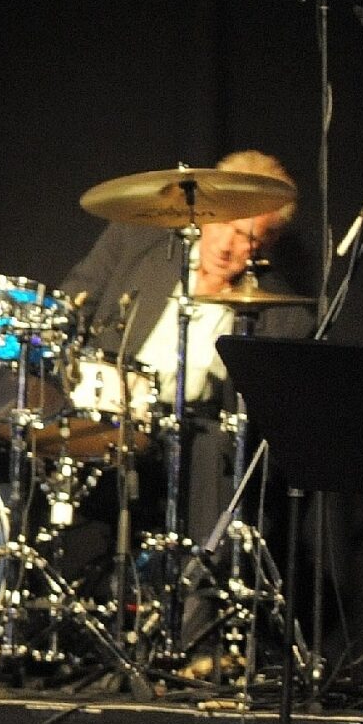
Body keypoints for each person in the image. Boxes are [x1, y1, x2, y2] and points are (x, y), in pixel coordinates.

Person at [58, 150, 311, 595]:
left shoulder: (282, 316)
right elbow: (70, 306)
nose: (229, 247)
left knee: (216, 450)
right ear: (203, 212)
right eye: (225, 227)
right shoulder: (136, 242)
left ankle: (194, 622)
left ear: (265, 246)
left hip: (192, 442)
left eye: (248, 239)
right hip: (107, 416)